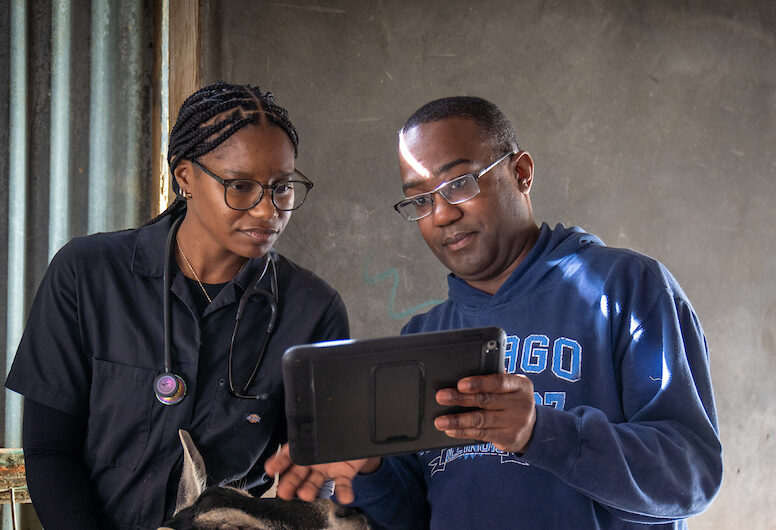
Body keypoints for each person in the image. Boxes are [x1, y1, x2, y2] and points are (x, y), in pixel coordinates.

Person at [265, 96, 722, 528]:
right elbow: (411, 517)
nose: (441, 214)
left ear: (521, 172)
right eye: (420, 199)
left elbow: (690, 477)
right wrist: (366, 469)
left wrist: (540, 431)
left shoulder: (624, 288)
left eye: (459, 183)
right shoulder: (421, 337)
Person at [5, 82, 349, 529]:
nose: (269, 211)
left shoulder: (313, 310)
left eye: (282, 188)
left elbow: (312, 476)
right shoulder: (88, 274)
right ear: (185, 176)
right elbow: (51, 449)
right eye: (241, 186)